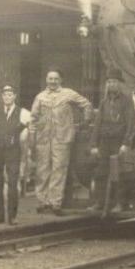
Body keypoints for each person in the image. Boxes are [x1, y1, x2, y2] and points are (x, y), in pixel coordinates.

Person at [29, 68, 93, 215]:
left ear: (61, 80)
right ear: (46, 80)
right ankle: (42, 202)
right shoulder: (40, 97)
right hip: (43, 139)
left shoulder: (68, 94)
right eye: (50, 78)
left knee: (59, 170)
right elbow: (33, 119)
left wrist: (84, 122)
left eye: (55, 79)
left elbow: (87, 105)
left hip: (62, 138)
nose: (53, 81)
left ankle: (55, 203)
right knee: (42, 170)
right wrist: (32, 138)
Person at [87, 68, 135, 213]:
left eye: (114, 81)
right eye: (109, 82)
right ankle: (99, 202)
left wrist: (126, 144)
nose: (111, 84)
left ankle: (121, 203)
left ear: (120, 84)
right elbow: (97, 124)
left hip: (119, 142)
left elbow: (130, 123)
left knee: (120, 173)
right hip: (104, 142)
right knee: (100, 172)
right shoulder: (104, 102)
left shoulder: (127, 101)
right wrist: (93, 144)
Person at [0, 85, 31, 225]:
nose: (7, 97)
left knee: (13, 182)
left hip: (13, 151)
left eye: (10, 94)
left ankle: (12, 216)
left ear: (15, 96)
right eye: (5, 95)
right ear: (2, 97)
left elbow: (29, 130)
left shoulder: (23, 112)